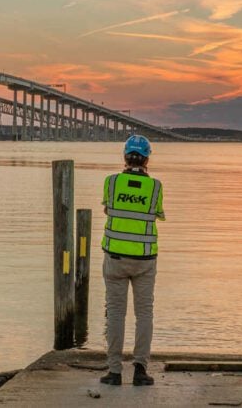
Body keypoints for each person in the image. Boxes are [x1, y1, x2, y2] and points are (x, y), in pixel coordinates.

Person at [99, 134, 165, 387]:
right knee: (144, 313)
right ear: (147, 158)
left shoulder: (111, 182)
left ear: (125, 156)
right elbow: (157, 213)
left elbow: (108, 208)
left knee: (115, 313)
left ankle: (114, 372)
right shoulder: (156, 187)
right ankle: (140, 370)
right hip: (145, 260)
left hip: (115, 258)